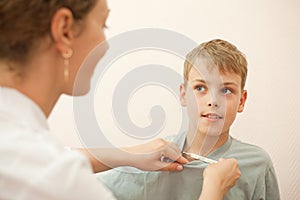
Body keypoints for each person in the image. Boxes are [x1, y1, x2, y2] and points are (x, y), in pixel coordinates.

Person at [0, 0, 241, 199]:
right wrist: (214, 189)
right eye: (103, 23)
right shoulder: (59, 180)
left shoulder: (21, 150)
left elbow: (45, 160)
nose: (105, 46)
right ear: (64, 29)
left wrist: (126, 154)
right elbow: (49, 168)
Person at [98, 39, 281, 200]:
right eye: (200, 88)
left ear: (241, 101)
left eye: (226, 90)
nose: (213, 102)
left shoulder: (258, 164)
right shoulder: (153, 161)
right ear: (184, 95)